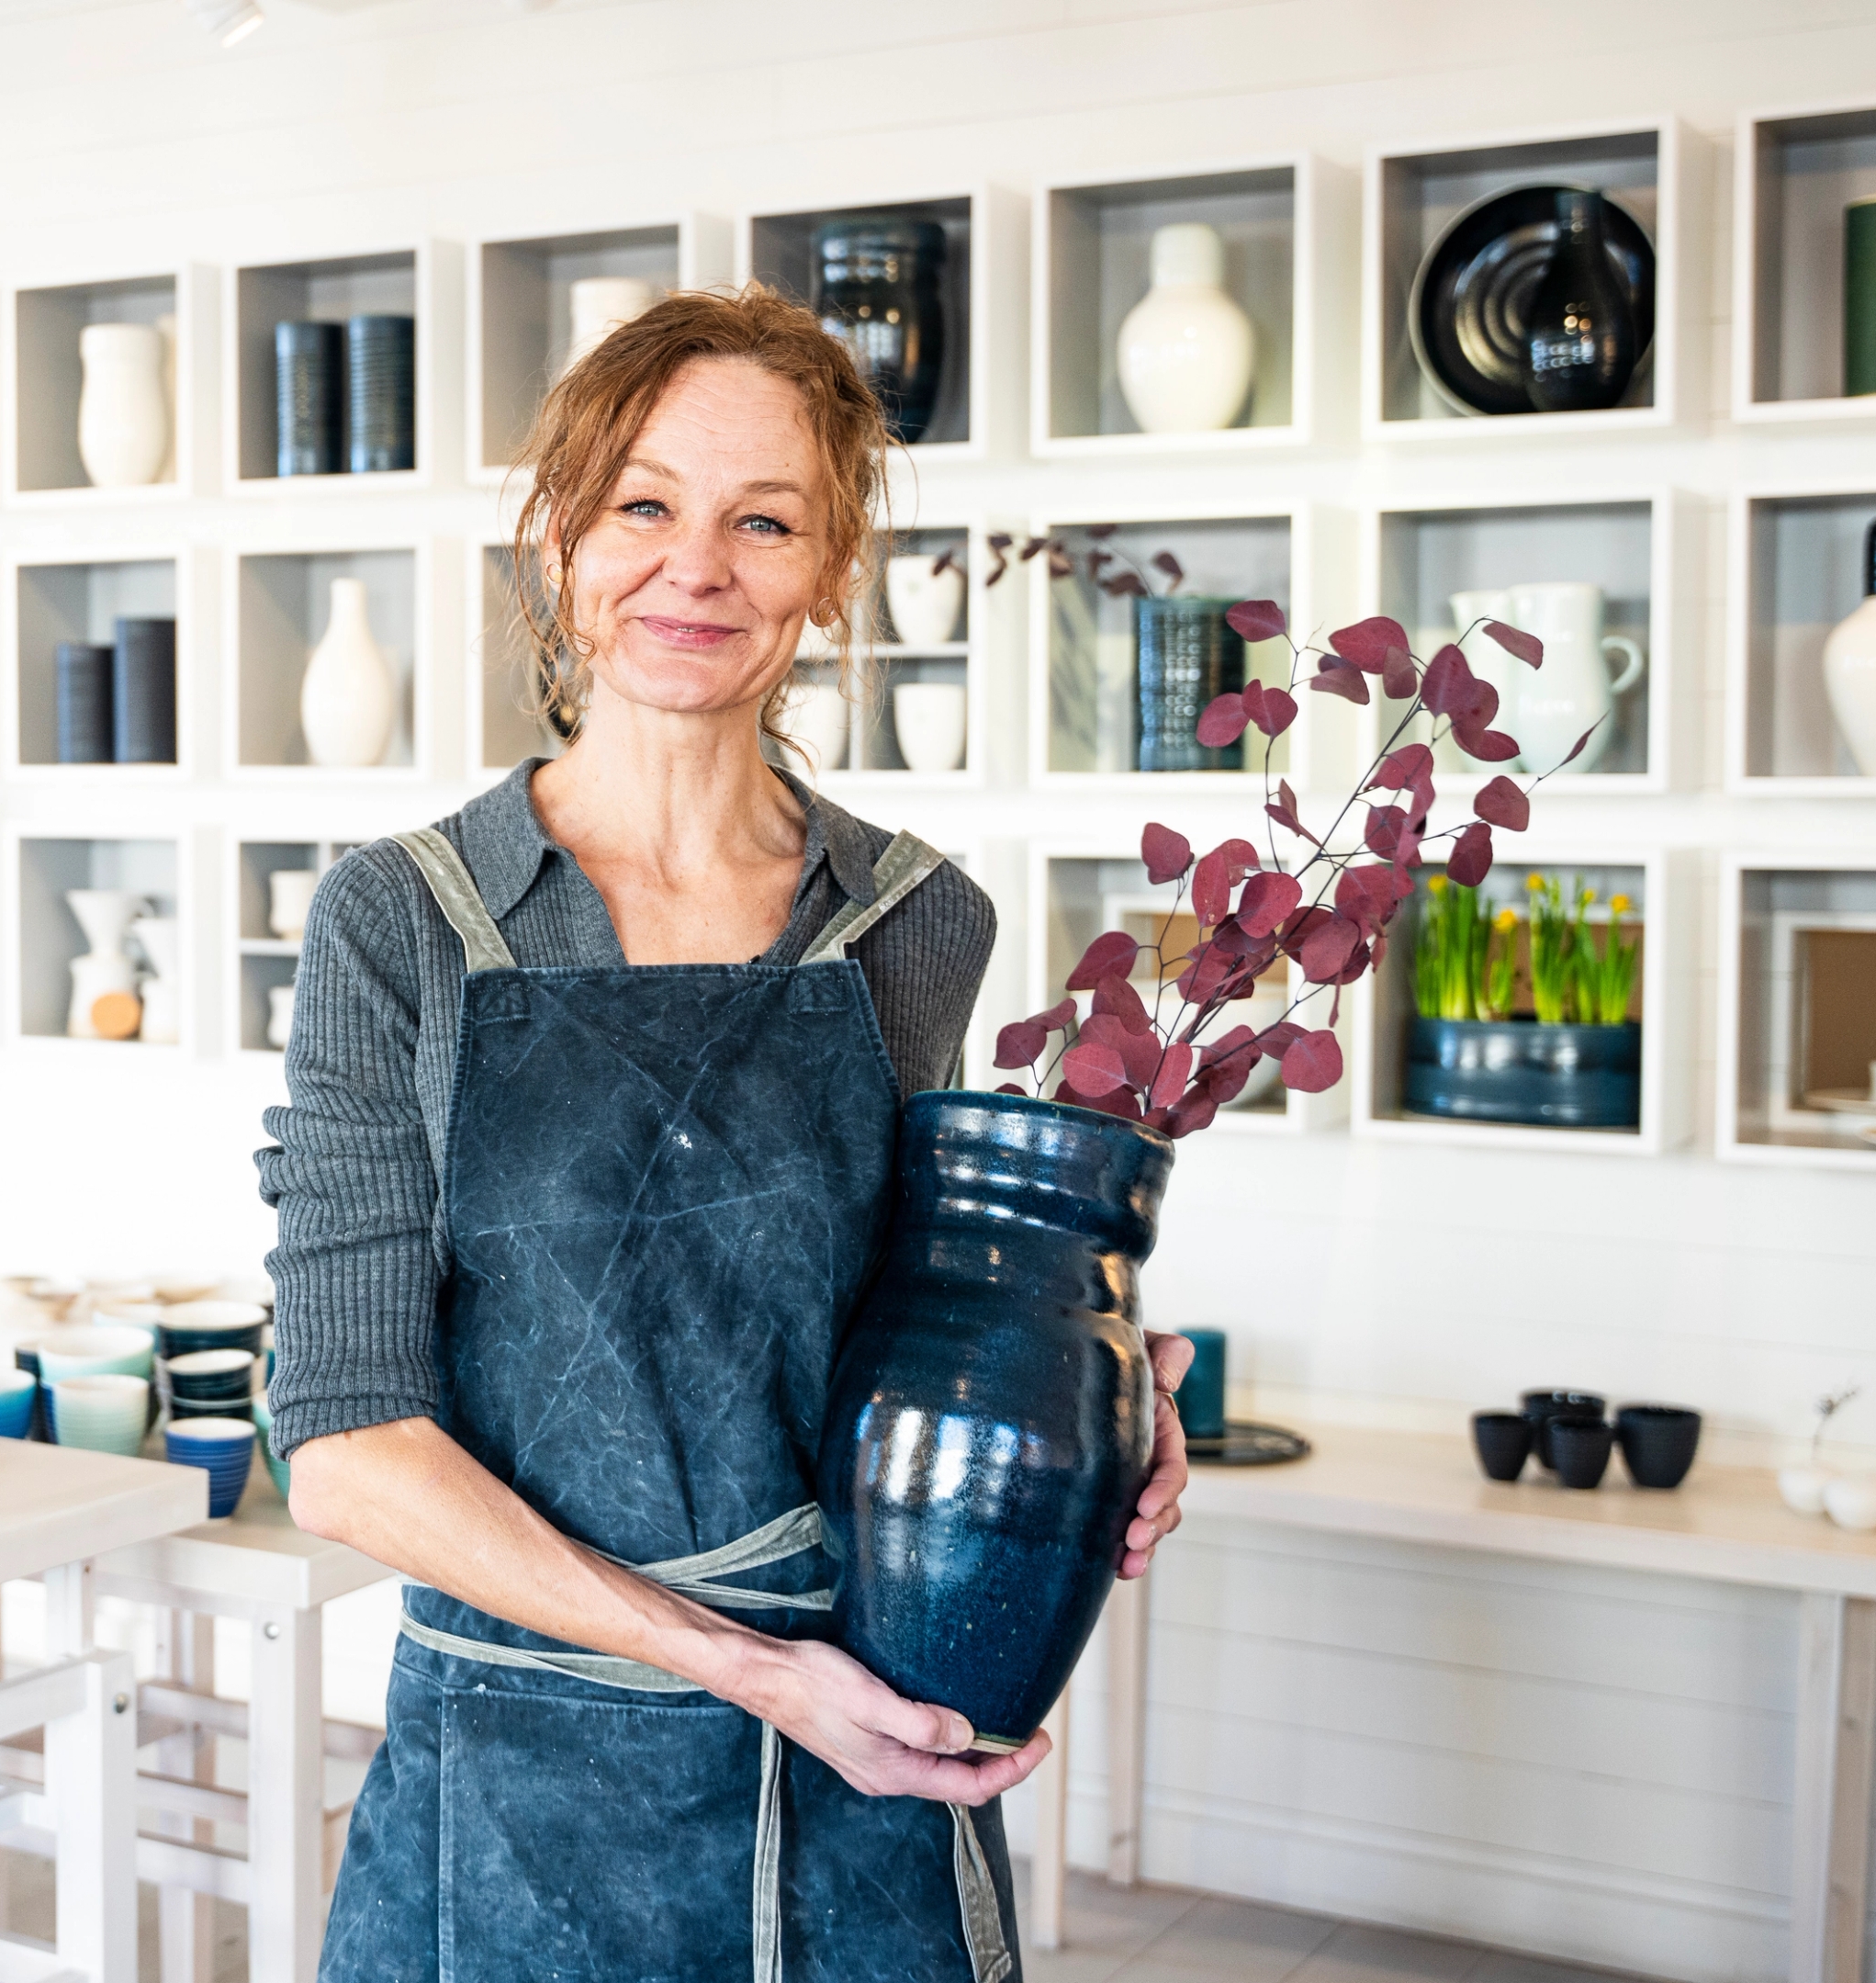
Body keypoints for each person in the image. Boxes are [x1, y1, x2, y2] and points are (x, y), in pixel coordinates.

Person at [257, 283, 1193, 1981]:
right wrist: (748, 1667)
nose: (698, 569)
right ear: (559, 538)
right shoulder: (403, 926)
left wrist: (1100, 1388)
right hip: (518, 1793)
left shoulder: (911, 924)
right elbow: (341, 1443)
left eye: (766, 521)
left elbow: (919, 1318)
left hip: (862, 1758)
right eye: (643, 506)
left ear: (830, 575)